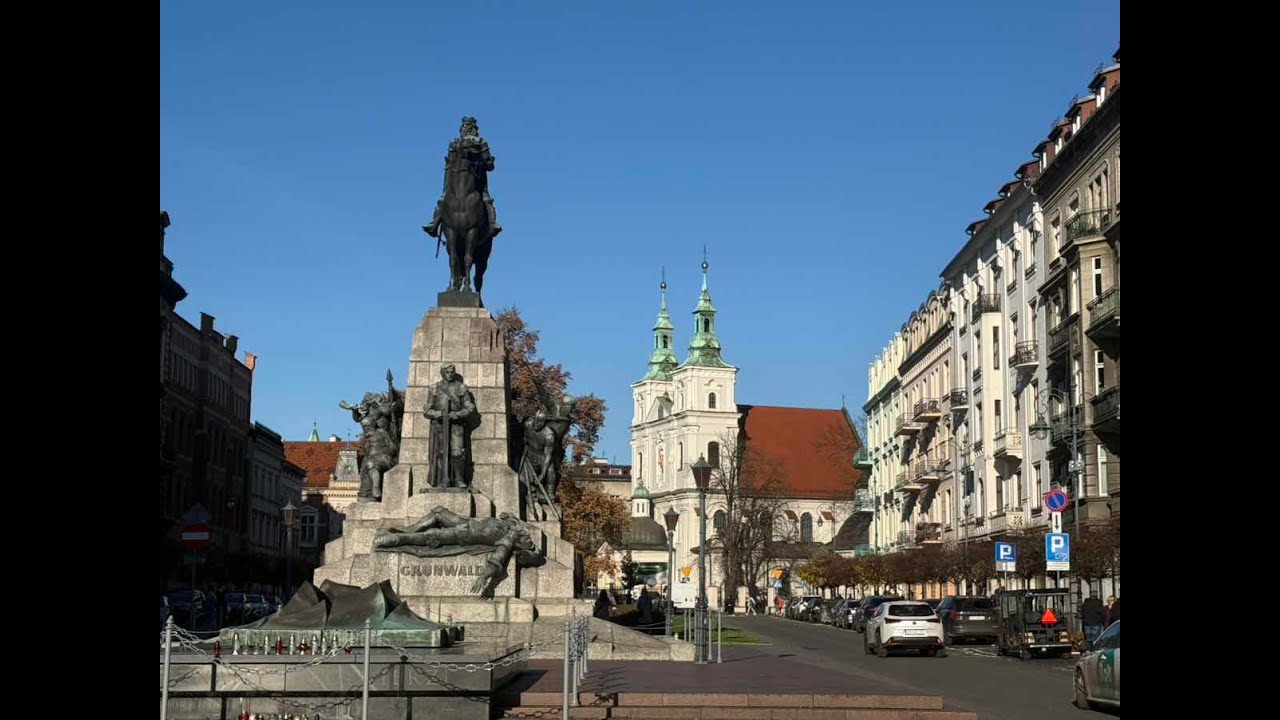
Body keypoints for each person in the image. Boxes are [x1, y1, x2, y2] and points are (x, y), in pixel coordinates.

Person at [423, 116, 502, 239]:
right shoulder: (455, 143)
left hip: (477, 180)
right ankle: (434, 224)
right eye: (464, 126)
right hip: (454, 179)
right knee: (443, 198)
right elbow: (449, 163)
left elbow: (490, 166)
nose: (465, 129)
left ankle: (492, 224)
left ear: (473, 128)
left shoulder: (481, 142)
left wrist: (484, 161)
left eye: (467, 126)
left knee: (486, 199)